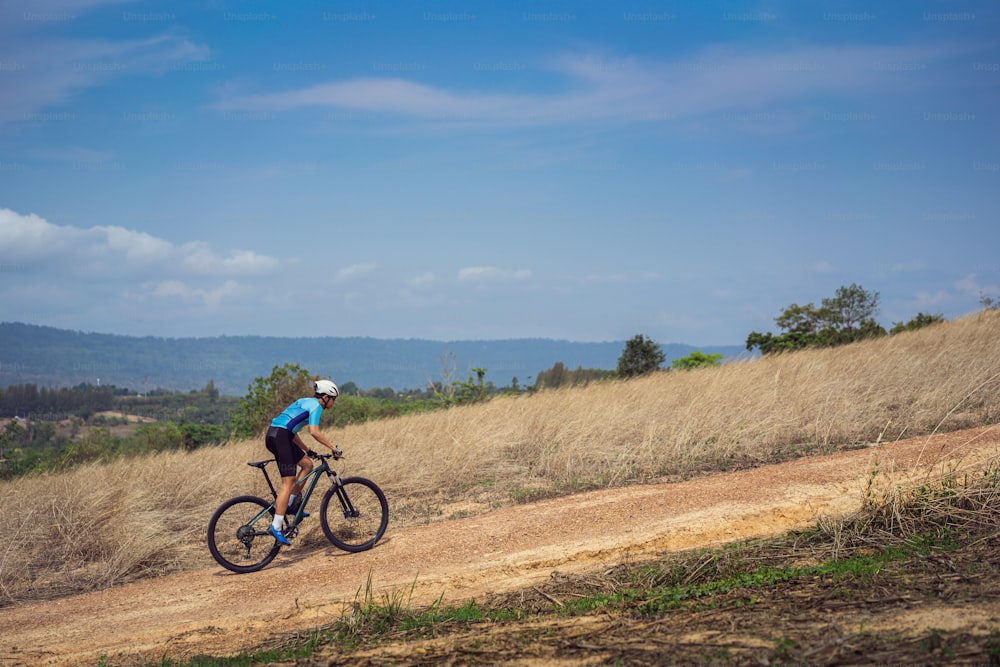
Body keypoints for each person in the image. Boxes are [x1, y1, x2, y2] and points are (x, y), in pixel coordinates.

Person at [265, 379, 341, 545]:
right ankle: (276, 526)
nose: (334, 403)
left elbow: (291, 430)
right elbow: (314, 431)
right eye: (334, 399)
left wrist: (307, 450)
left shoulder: (304, 401)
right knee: (288, 482)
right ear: (326, 397)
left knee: (307, 464)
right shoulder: (316, 407)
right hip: (281, 438)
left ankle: (290, 505)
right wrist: (333, 447)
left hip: (275, 434)